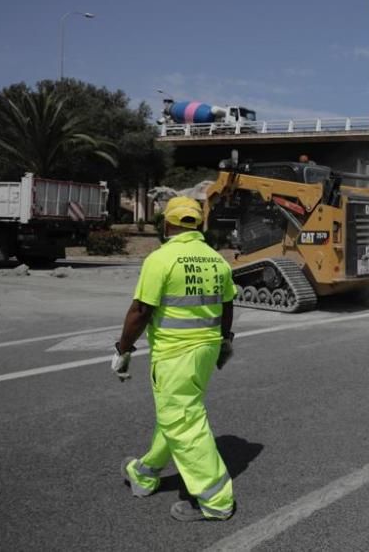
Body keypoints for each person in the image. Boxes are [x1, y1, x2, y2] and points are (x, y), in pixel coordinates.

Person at [113, 196, 237, 522]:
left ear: (167, 224)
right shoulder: (217, 260)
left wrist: (123, 349)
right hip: (206, 352)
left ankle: (216, 500)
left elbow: (140, 312)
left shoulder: (161, 259)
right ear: (199, 224)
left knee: (183, 422)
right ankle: (145, 472)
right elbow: (227, 307)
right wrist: (225, 343)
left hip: (174, 354)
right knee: (178, 412)